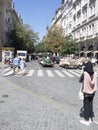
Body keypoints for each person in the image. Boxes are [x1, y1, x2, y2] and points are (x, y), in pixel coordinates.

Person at [79, 59, 97, 125]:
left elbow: (80, 80)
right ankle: (90, 118)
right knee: (90, 105)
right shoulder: (94, 73)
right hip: (93, 92)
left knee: (86, 105)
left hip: (86, 92)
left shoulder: (85, 73)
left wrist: (82, 71)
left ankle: (86, 120)